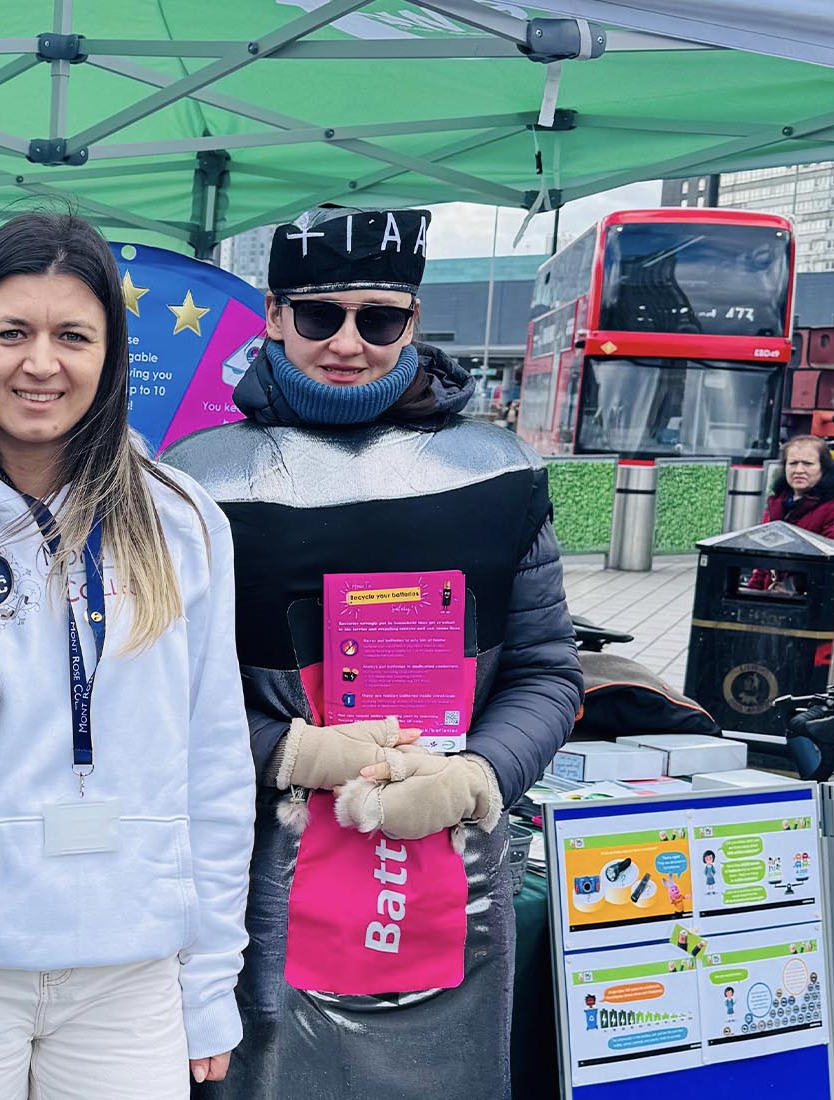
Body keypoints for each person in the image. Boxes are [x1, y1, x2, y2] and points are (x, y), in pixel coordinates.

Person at [163, 208, 582, 1100]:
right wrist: (284, 748)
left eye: (380, 318)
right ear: (274, 315)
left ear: (414, 321)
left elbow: (547, 670)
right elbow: (153, 691)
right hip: (257, 868)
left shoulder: (497, 471)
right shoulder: (197, 479)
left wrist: (481, 776)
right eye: (319, 315)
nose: (349, 343)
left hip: (451, 860)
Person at [0, 213, 255, 1100]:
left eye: (72, 336)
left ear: (110, 356)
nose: (41, 363)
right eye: (11, 333)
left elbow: (215, 760)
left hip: (132, 970)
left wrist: (208, 979)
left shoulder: (184, 520)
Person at [762, 434, 834, 664]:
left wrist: (793, 585)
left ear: (823, 468)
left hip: (823, 605)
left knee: (811, 673)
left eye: (808, 463)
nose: (799, 470)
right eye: (793, 463)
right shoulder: (780, 501)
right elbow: (762, 549)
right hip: (783, 604)